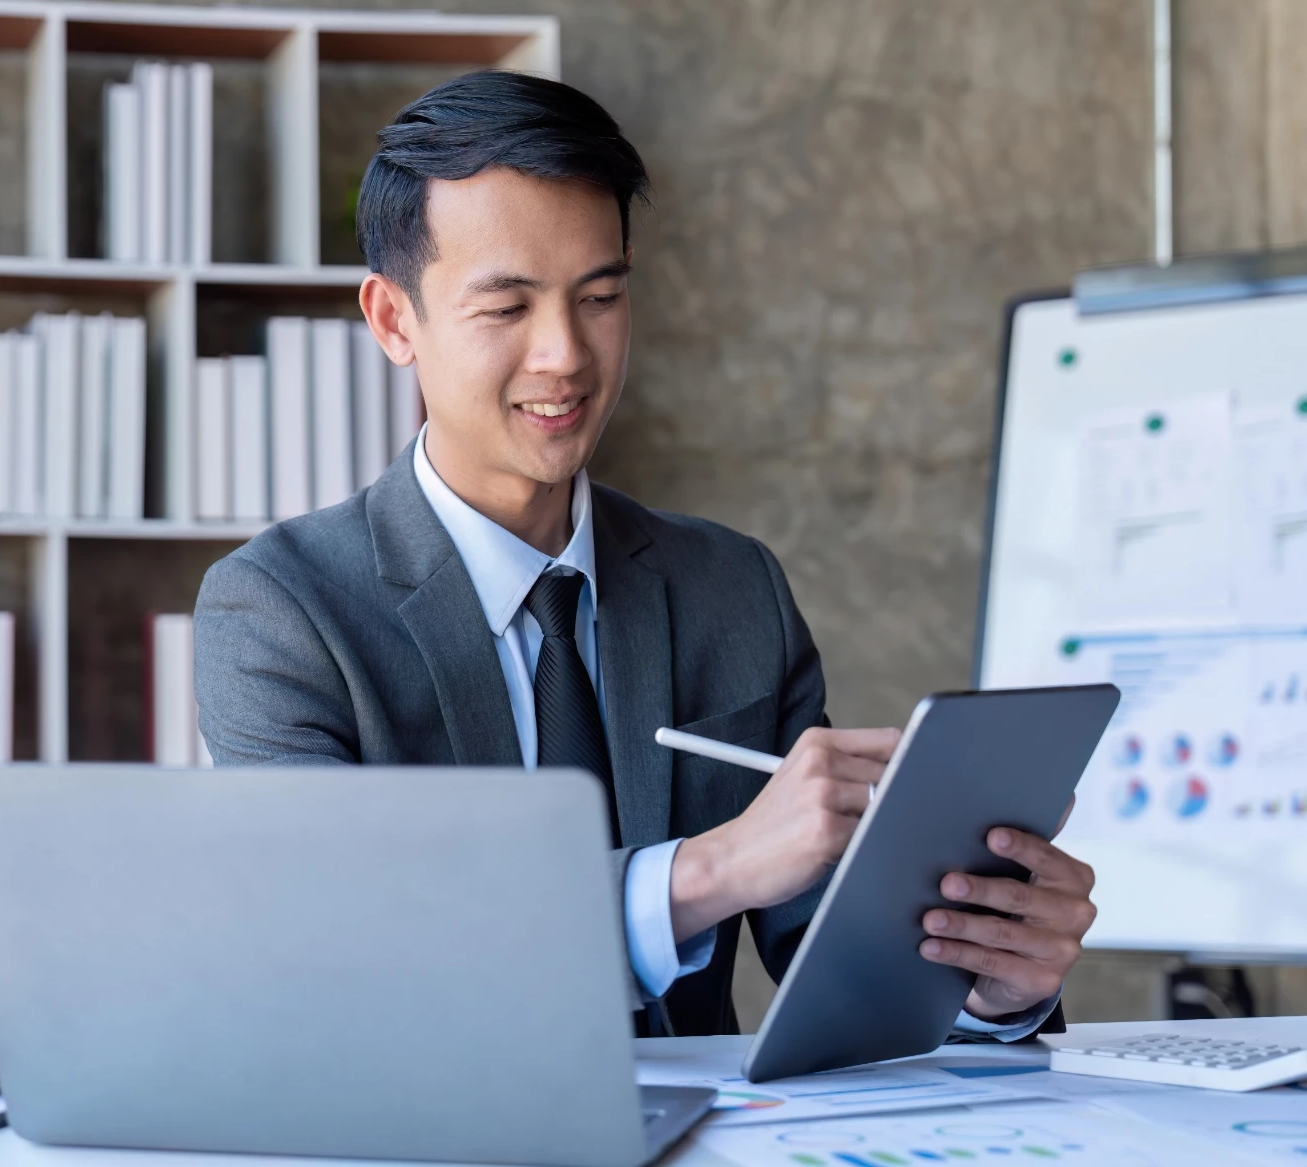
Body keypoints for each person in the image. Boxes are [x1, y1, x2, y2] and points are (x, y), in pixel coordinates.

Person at [192, 70, 1095, 1038]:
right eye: (506, 308)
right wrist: (710, 869)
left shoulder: (728, 588)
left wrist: (991, 983)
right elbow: (344, 938)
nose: (564, 355)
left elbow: (838, 968)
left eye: (599, 296)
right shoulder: (279, 610)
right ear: (391, 320)